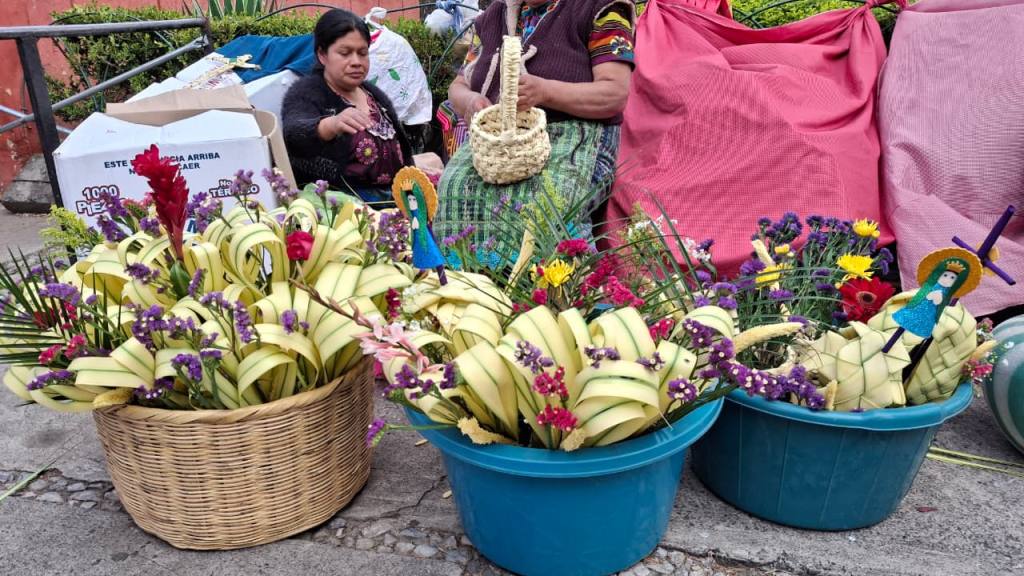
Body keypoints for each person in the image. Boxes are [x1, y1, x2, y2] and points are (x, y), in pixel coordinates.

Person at [435, 0, 636, 253]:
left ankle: (552, 287)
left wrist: (545, 91)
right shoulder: (493, 17)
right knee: (454, 187)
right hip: (501, 143)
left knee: (545, 202)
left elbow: (615, 93)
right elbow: (459, 85)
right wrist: (471, 101)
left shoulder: (601, 8)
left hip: (577, 137)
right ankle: (470, 284)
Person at [281, 9, 414, 206]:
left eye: (362, 53)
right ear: (322, 55)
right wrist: (331, 125)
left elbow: (402, 150)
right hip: (340, 211)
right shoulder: (306, 92)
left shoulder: (374, 95)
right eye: (345, 53)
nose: (356, 62)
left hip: (396, 204)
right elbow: (293, 132)